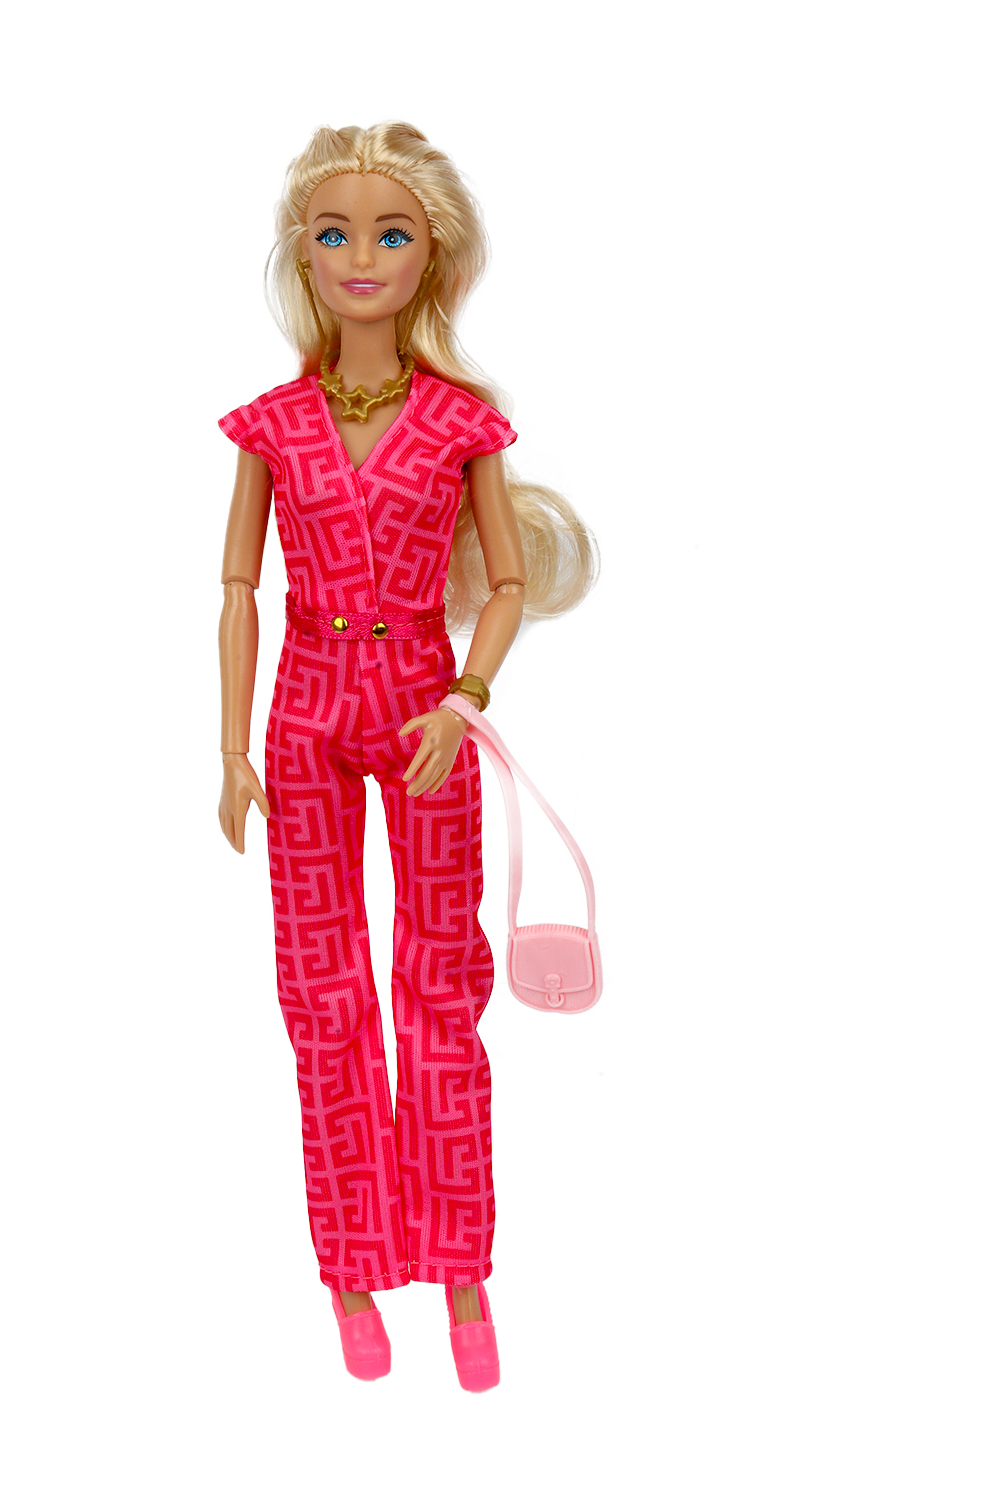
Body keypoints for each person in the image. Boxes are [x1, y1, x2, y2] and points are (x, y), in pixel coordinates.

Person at [216, 122, 597, 1391]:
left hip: (428, 710)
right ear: (301, 252)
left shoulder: (460, 424)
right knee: (321, 992)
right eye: (335, 233)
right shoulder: (273, 423)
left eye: (391, 233)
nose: (362, 257)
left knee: (441, 982)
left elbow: (505, 584)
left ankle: (460, 1262)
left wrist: (467, 694)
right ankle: (353, 1265)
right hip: (305, 712)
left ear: (434, 253)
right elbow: (236, 589)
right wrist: (230, 745)